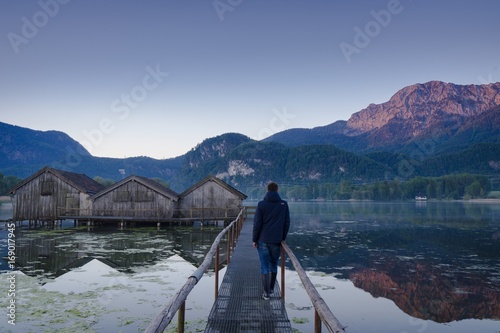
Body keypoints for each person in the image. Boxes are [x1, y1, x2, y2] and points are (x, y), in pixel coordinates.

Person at [252, 182, 291, 300]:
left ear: (267, 190)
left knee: (264, 266)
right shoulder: (284, 204)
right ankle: (272, 289)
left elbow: (257, 224)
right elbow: (287, 223)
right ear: (277, 190)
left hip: (263, 240)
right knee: (273, 264)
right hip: (276, 240)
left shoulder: (261, 204)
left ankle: (266, 293)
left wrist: (254, 239)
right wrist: (283, 237)